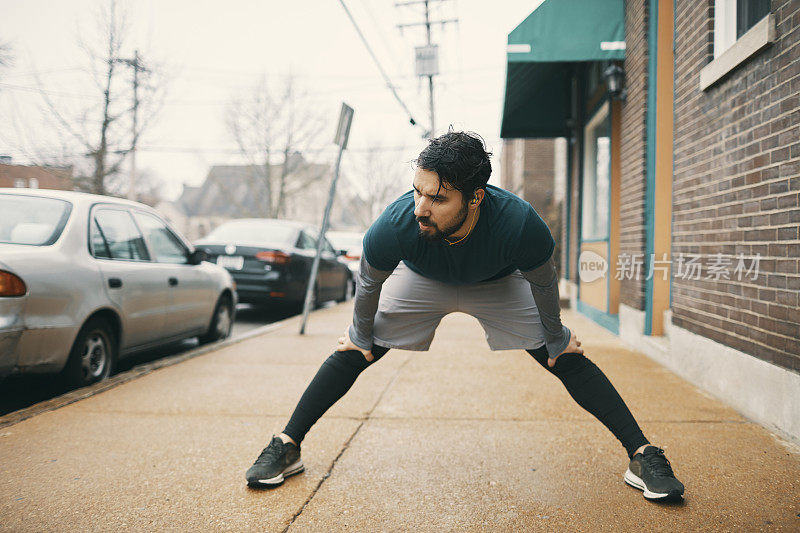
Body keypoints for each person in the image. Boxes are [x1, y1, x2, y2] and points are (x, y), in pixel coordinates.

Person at [245, 131, 684, 502]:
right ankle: (286, 445)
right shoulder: (396, 224)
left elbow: (545, 284)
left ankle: (643, 454)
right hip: (422, 279)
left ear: (475, 198)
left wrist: (555, 335)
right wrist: (360, 334)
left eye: (438, 198)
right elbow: (369, 283)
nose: (421, 206)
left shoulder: (519, 224)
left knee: (561, 352)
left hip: (497, 281)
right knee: (355, 348)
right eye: (417, 190)